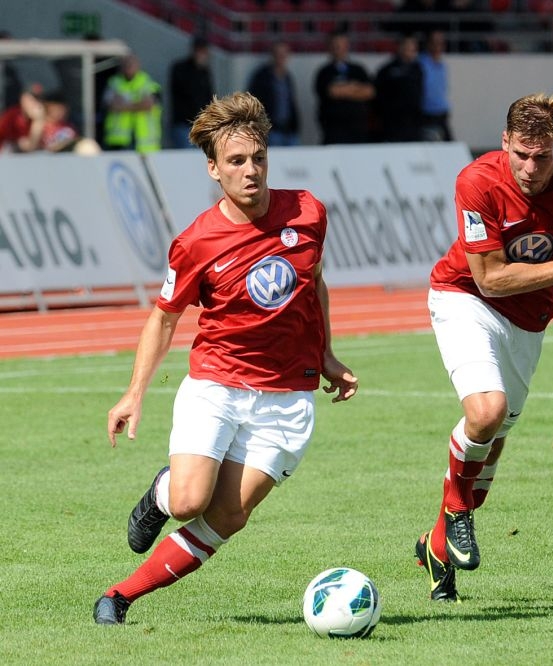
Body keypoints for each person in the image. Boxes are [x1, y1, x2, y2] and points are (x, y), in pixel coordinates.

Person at [92, 91, 359, 625]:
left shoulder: (308, 212)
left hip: (288, 399)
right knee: (188, 502)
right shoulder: (196, 242)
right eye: (236, 161)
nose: (250, 170)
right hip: (218, 384)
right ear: (214, 169)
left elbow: (315, 283)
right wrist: (134, 393)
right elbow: (164, 318)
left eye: (258, 158)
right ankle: (162, 493)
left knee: (228, 516)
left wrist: (327, 352)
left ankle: (118, 597)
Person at [413, 92, 553, 602]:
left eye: (542, 156)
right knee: (486, 412)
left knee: (486, 464)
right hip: (466, 298)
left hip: (529, 324)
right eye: (521, 154)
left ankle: (435, 543)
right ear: (505, 141)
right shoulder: (478, 181)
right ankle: (454, 509)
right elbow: (490, 279)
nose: (529, 168)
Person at [313, 30, 375, 145]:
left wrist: (343, 89)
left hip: (358, 130)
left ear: (347, 46)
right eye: (335, 45)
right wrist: (354, 87)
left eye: (341, 45)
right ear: (329, 47)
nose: (338, 48)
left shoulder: (358, 69)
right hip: (334, 131)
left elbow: (369, 92)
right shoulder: (324, 72)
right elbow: (332, 92)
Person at [102, 53, 162, 153]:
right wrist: (138, 104)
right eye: (126, 64)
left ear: (138, 65)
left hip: (145, 144)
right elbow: (111, 105)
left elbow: (148, 105)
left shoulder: (147, 82)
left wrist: (124, 105)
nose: (128, 67)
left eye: (131, 64)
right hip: (118, 141)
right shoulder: (114, 83)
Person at [247, 42, 300, 147]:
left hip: (289, 130)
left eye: (284, 54)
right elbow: (253, 102)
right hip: (271, 131)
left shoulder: (287, 77)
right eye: (278, 54)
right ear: (272, 55)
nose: (281, 57)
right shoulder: (262, 76)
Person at [374, 34, 424, 142]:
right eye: (407, 47)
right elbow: (379, 95)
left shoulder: (418, 69)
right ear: (400, 47)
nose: (410, 51)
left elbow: (419, 93)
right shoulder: (387, 70)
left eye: (413, 48)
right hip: (393, 123)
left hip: (413, 122)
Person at [169, 36, 215, 149]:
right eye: (200, 51)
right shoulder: (179, 68)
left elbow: (209, 97)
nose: (202, 54)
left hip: (202, 126)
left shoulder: (205, 71)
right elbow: (188, 93)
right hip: (184, 125)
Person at [418, 29, 452, 141]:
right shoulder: (421, 63)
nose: (438, 46)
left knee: (450, 145)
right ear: (428, 43)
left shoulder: (442, 65)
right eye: (435, 42)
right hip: (427, 113)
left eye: (441, 42)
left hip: (441, 112)